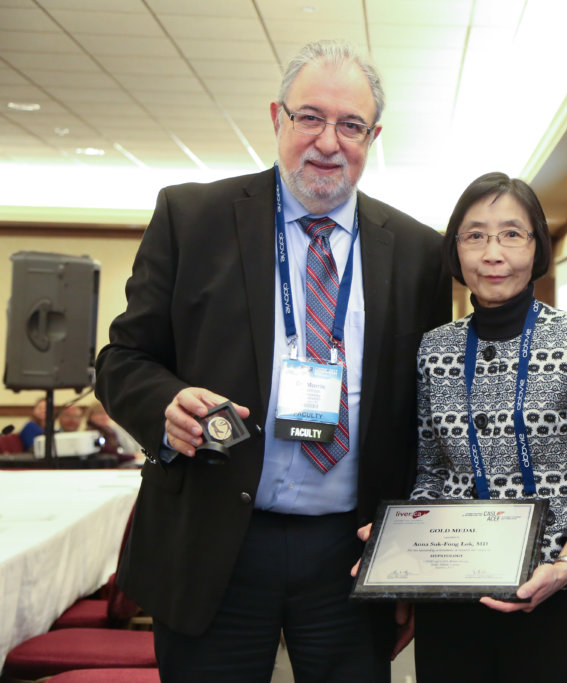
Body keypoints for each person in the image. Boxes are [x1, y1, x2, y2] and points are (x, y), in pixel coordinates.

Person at [95, 39, 451, 682]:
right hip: (214, 541)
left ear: (373, 137)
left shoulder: (420, 253)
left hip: (349, 552)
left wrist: (410, 555)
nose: (328, 142)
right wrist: (164, 405)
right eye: (310, 117)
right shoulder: (192, 218)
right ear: (276, 118)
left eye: (351, 125)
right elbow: (123, 358)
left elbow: (422, 420)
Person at [407, 172, 567, 682]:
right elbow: (431, 474)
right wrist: (403, 536)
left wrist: (566, 563)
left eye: (511, 234)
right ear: (456, 249)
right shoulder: (435, 349)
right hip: (457, 587)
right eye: (475, 235)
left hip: (563, 589)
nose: (492, 253)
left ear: (536, 246)